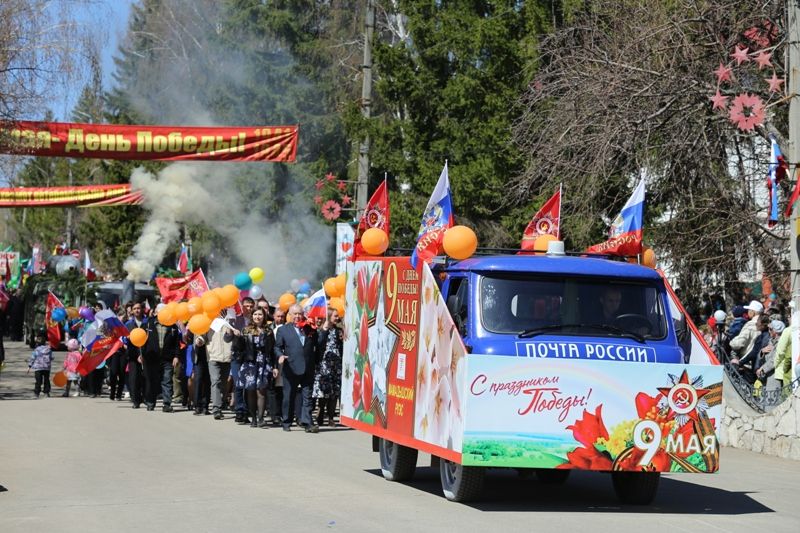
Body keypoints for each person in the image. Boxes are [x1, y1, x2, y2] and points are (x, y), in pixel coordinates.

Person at [274, 304, 320, 433]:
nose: (297, 316)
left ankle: (307, 422)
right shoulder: (283, 330)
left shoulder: (309, 328)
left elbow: (317, 345)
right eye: (295, 314)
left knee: (307, 396)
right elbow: (277, 347)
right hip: (291, 367)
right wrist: (280, 356)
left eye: (299, 314)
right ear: (290, 315)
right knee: (289, 396)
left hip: (308, 367)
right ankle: (287, 421)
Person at [228, 308, 275, 428]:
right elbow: (239, 348)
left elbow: (272, 350)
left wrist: (274, 366)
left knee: (261, 391)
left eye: (260, 314)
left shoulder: (269, 331)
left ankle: (261, 418)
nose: (257, 316)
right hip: (249, 364)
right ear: (252, 316)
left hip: (264, 363)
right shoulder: (246, 330)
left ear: (264, 316)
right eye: (255, 314)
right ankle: (253, 418)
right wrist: (237, 337)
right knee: (250, 391)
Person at [140, 303, 181, 412]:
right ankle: (150, 402)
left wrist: (176, 356)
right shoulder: (148, 324)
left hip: (167, 358)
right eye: (161, 311)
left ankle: (167, 404)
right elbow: (141, 340)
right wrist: (141, 354)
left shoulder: (173, 326)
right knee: (152, 381)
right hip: (151, 357)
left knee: (167, 381)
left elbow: (177, 343)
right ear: (156, 312)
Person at [200, 311, 234, 420]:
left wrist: (231, 329)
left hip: (227, 356)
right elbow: (202, 335)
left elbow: (235, 334)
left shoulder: (231, 318)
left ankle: (222, 402)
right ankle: (216, 409)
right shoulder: (209, 320)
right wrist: (199, 340)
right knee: (215, 381)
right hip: (213, 356)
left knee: (224, 383)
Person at [313, 308, 343, 427]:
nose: (337, 318)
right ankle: (320, 414)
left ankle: (331, 418)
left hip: (336, 365)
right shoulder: (320, 330)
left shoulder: (338, 331)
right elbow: (319, 344)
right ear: (329, 316)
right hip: (324, 365)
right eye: (335, 316)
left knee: (334, 392)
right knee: (324, 392)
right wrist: (325, 329)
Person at [125, 301, 148, 409]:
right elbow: (123, 339)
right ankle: (135, 400)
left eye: (138, 308)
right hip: (133, 356)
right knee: (134, 379)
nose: (137, 310)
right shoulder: (129, 324)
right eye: (134, 309)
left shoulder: (147, 322)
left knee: (145, 378)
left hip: (145, 354)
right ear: (132, 311)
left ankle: (145, 398)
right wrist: (127, 339)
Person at [267, 307, 286, 425]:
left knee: (281, 389)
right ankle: (273, 414)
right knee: (272, 389)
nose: (280, 318)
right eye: (278, 316)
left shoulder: (287, 328)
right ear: (273, 316)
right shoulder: (269, 329)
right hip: (270, 361)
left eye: (282, 316)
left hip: (283, 362)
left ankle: (280, 414)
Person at [28, 330, 54, 398]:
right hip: (46, 367)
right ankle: (46, 392)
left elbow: (33, 358)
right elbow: (51, 357)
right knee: (46, 380)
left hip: (38, 368)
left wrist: (30, 366)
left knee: (38, 381)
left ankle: (37, 393)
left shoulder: (36, 350)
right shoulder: (49, 349)